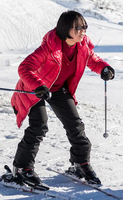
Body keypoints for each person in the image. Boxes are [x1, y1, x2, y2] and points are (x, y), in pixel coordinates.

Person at [10, 11, 115, 188]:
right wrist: (38, 86)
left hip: (58, 89)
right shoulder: (49, 48)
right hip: (35, 89)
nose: (83, 31)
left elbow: (93, 60)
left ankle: (80, 164)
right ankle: (21, 168)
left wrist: (104, 68)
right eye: (79, 27)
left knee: (75, 125)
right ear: (67, 29)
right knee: (39, 125)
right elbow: (25, 68)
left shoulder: (82, 46)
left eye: (85, 27)